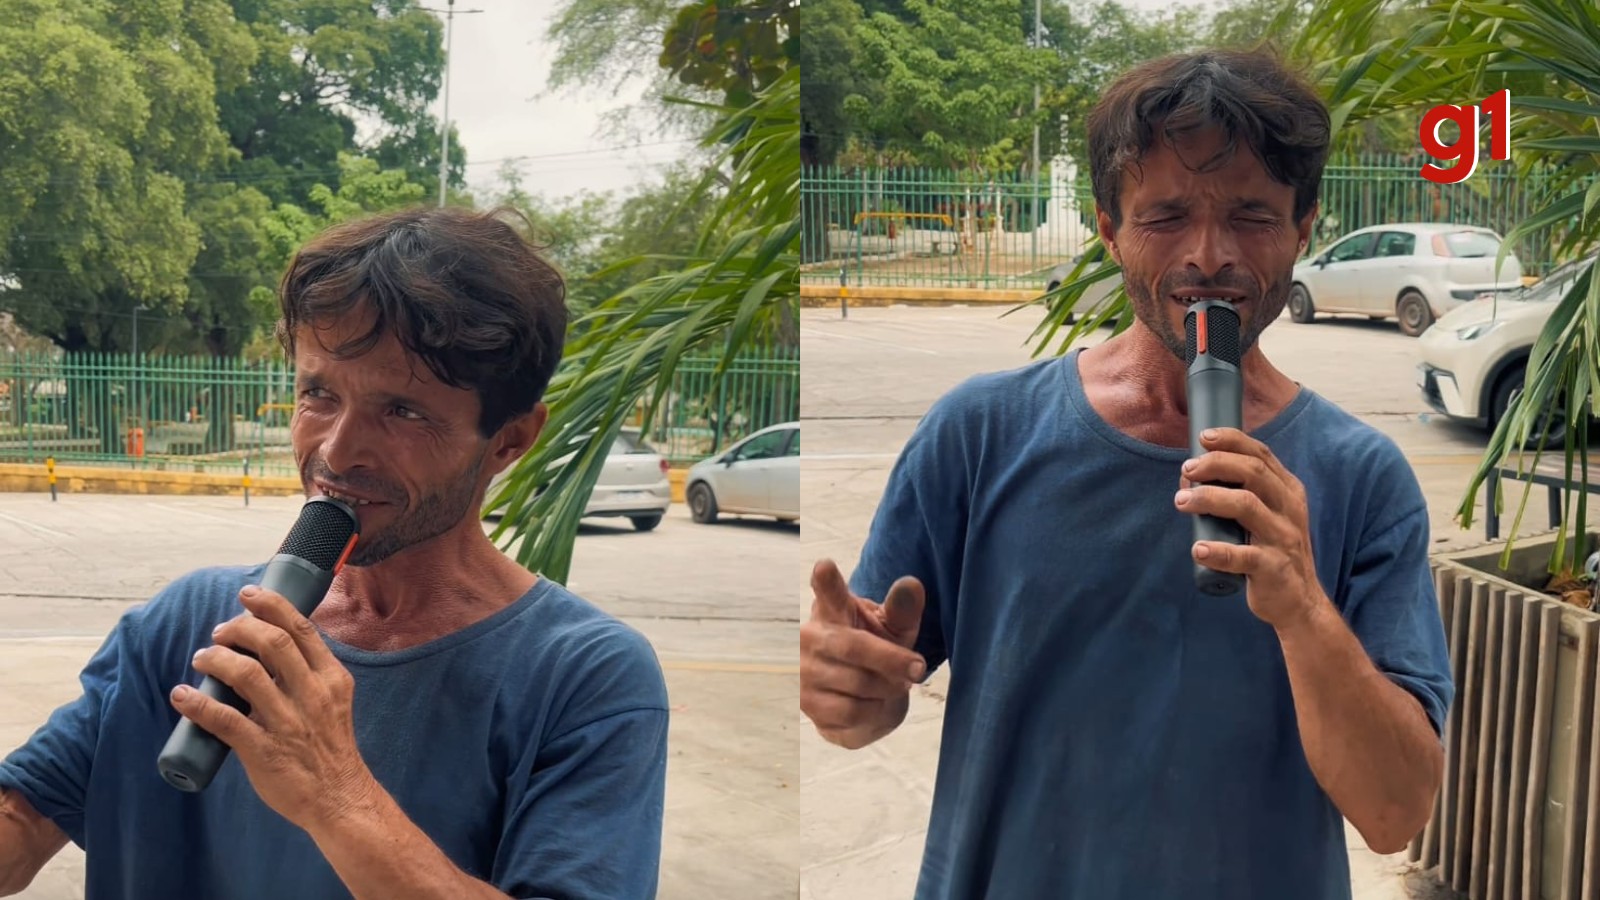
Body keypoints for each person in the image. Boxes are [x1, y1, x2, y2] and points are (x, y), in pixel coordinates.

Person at [799, 49, 1454, 899]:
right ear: (1109, 229)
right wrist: (849, 689)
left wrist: (1303, 610)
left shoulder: (1364, 479)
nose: (1210, 255)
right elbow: (874, 690)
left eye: (1253, 215)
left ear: (1303, 229)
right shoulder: (980, 433)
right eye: (1166, 215)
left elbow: (1397, 811)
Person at [0, 207, 670, 899]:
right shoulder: (188, 623)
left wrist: (339, 796)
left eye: (402, 411)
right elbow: (22, 816)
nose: (336, 451)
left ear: (509, 439)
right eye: (318, 393)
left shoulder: (585, 679)